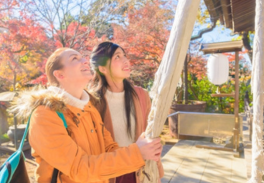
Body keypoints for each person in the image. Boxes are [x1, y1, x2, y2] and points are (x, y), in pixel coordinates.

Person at [11, 47, 162, 183]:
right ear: (59, 74)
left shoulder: (89, 108)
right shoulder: (45, 115)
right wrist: (136, 153)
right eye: (74, 59)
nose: (84, 61)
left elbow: (109, 148)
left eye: (83, 57)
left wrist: (142, 151)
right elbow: (79, 169)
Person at [89, 42, 164, 183]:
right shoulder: (92, 102)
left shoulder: (141, 95)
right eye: (117, 57)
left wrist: (156, 172)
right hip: (112, 172)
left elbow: (150, 134)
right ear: (102, 68)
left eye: (124, 55)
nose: (126, 60)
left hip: (141, 170)